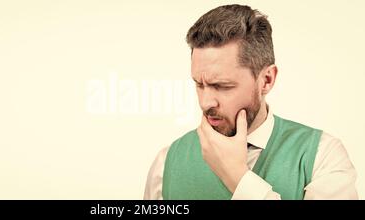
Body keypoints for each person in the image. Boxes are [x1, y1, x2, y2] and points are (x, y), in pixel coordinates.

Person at [143, 4, 358, 200]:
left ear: (266, 80)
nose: (206, 102)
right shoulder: (166, 163)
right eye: (199, 84)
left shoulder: (323, 156)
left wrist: (239, 179)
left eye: (222, 86)